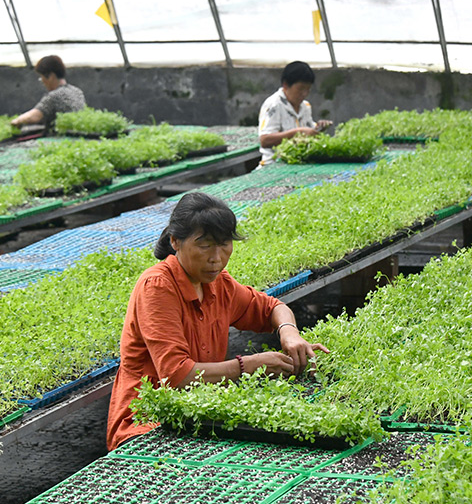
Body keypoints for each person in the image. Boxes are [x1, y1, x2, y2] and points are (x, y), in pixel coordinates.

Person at [106, 192, 329, 450]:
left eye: (224, 244)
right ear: (175, 241)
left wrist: (289, 333)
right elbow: (177, 377)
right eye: (205, 245)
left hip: (199, 416)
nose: (216, 257)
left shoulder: (219, 284)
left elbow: (272, 307)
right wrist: (248, 366)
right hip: (146, 426)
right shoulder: (157, 287)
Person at [257, 61, 333, 165]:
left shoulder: (305, 107)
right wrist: (298, 132)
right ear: (286, 85)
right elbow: (265, 140)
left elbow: (310, 130)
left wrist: (319, 128)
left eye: (308, 89)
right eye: (300, 89)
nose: (304, 94)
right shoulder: (274, 105)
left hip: (298, 163)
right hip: (274, 165)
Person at [11, 55, 86, 129]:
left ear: (51, 76)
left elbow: (33, 116)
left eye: (42, 77)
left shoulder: (55, 96)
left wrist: (15, 121)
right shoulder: (77, 91)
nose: (42, 81)